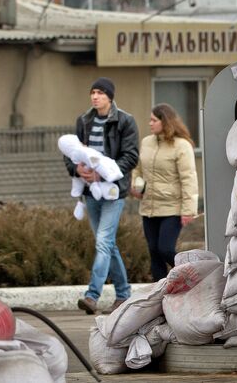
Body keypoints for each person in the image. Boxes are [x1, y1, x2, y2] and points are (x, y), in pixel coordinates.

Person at [64, 77, 139, 315]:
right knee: (107, 243)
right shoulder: (83, 121)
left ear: (109, 96)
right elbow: (71, 154)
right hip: (89, 192)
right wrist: (77, 169)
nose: (95, 96)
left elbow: (130, 156)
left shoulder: (125, 121)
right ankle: (124, 293)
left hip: (114, 191)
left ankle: (92, 296)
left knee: (104, 242)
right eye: (92, 92)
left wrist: (103, 175)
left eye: (100, 93)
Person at [131, 103, 199, 281]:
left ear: (165, 121)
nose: (150, 123)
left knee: (165, 249)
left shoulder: (181, 146)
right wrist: (137, 187)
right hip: (149, 207)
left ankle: (190, 277)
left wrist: (188, 210)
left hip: (172, 208)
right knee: (153, 251)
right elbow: (138, 170)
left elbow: (189, 178)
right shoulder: (146, 142)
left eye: (154, 120)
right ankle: (160, 296)